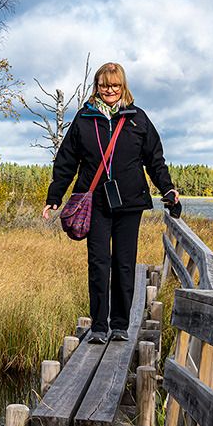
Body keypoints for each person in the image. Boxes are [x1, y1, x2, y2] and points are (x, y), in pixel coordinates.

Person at [42, 62, 179, 344]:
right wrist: (55, 197)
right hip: (96, 204)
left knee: (124, 264)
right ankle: (100, 327)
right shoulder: (84, 119)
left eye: (115, 85)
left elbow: (155, 160)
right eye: (105, 85)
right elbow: (66, 161)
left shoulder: (137, 119)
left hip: (129, 204)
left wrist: (168, 190)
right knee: (99, 263)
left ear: (123, 86)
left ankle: (119, 325)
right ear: (97, 87)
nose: (110, 90)